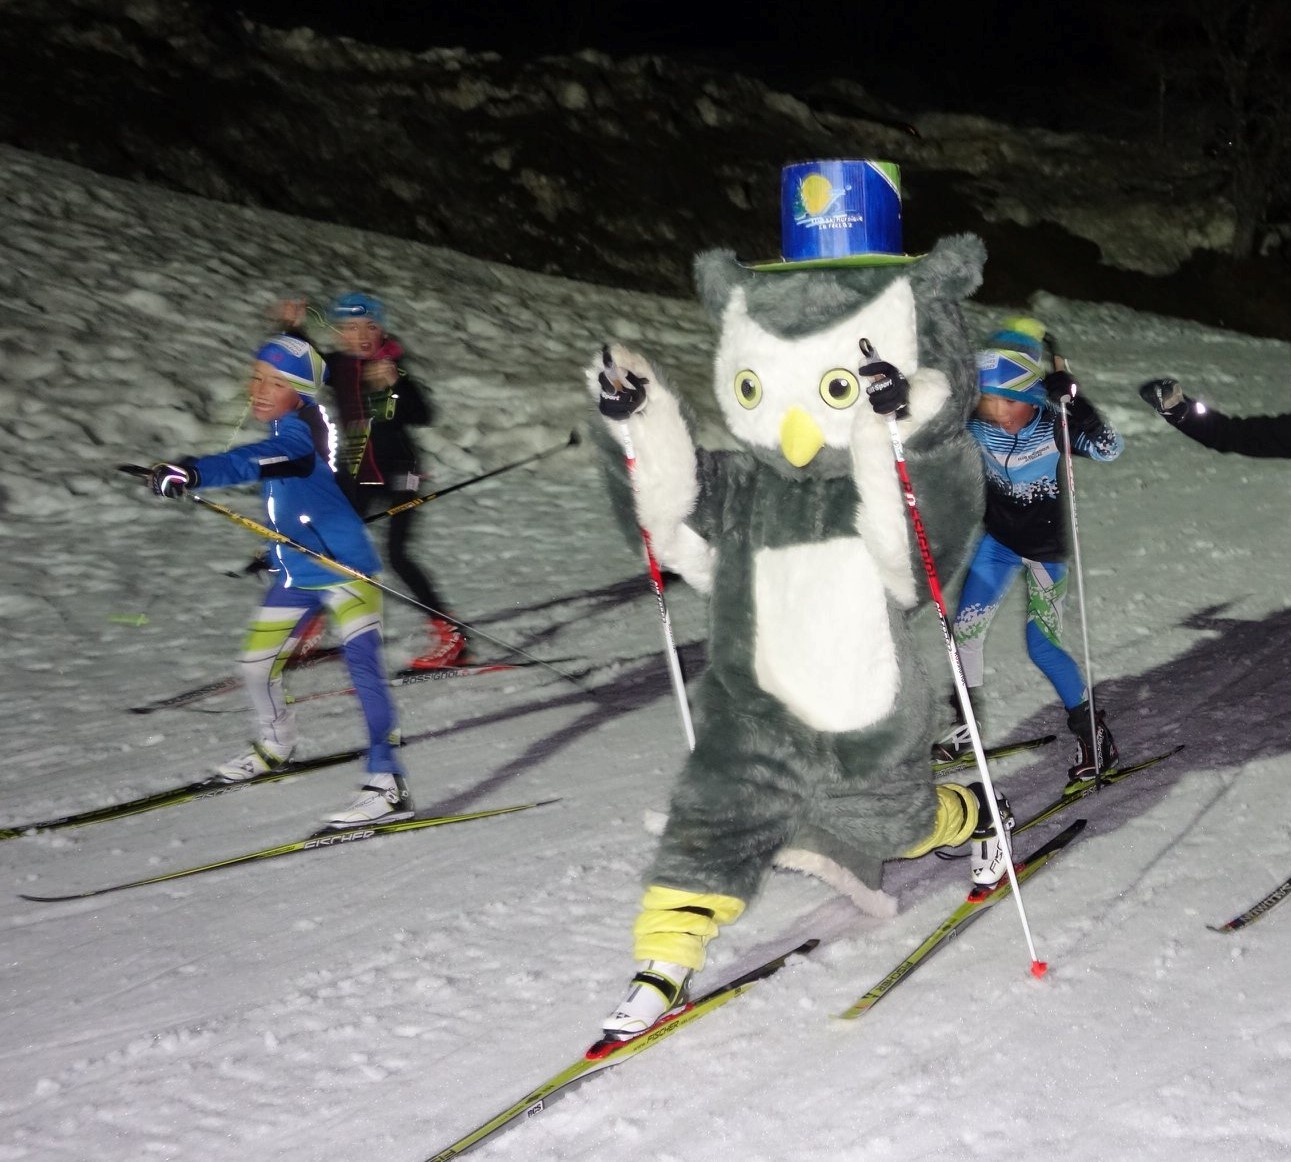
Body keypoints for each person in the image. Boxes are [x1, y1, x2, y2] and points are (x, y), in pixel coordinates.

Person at [147, 334, 413, 829]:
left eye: (274, 382)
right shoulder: (283, 428)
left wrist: (193, 472)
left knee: (363, 673)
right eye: (256, 378)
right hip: (297, 571)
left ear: (301, 391)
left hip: (344, 570)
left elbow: (249, 460)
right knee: (255, 664)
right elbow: (288, 499)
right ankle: (276, 745)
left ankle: (387, 783)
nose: (259, 389)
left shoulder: (300, 431)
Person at [934, 316, 1124, 785]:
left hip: (1046, 554)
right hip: (998, 544)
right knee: (965, 632)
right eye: (987, 399)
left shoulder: (1052, 424)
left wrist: (1076, 405)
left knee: (1042, 646)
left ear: (1030, 397)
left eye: (1006, 400)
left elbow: (1108, 447)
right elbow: (928, 426)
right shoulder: (975, 428)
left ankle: (1094, 735)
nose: (995, 410)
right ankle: (967, 727)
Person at [279, 292, 464, 670]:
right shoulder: (341, 366)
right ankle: (311, 627)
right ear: (340, 333)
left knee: (397, 555)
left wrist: (395, 384)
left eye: (369, 326)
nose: (360, 334)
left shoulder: (393, 365)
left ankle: (453, 637)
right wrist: (292, 327)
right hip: (357, 471)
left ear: (380, 329)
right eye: (349, 327)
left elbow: (423, 414)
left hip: (400, 473)